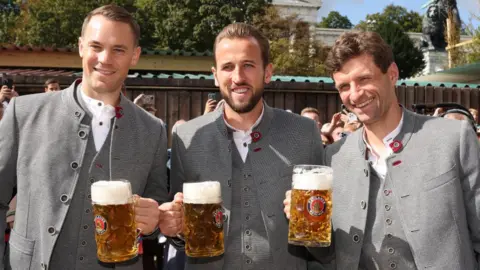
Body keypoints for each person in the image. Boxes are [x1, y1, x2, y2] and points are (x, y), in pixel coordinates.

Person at [285, 31, 480, 269]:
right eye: (344, 86)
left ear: (392, 74)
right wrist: (308, 223)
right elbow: (332, 256)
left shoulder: (452, 139)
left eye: (364, 79)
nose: (355, 94)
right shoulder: (333, 158)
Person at [0, 4, 169, 269]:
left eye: (119, 50)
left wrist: (153, 221)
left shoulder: (154, 130)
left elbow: (157, 210)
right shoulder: (24, 113)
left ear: (134, 56)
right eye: (96, 46)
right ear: (81, 47)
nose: (105, 58)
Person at [159, 23, 324, 269]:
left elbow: (319, 231)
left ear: (267, 72)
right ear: (215, 75)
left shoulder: (305, 133)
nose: (238, 77)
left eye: (248, 65)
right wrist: (175, 229)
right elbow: (180, 229)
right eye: (228, 67)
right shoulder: (186, 137)